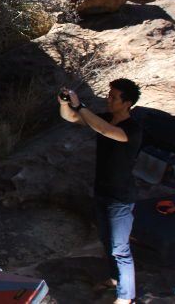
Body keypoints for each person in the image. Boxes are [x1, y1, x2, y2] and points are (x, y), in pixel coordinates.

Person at [58, 79, 143, 304]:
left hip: (120, 199)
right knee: (107, 242)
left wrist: (81, 105)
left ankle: (126, 298)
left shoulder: (132, 130)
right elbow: (72, 118)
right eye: (109, 95)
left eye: (114, 97)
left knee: (120, 249)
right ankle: (116, 280)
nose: (109, 99)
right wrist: (65, 104)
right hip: (102, 192)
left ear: (127, 103)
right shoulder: (105, 118)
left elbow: (105, 130)